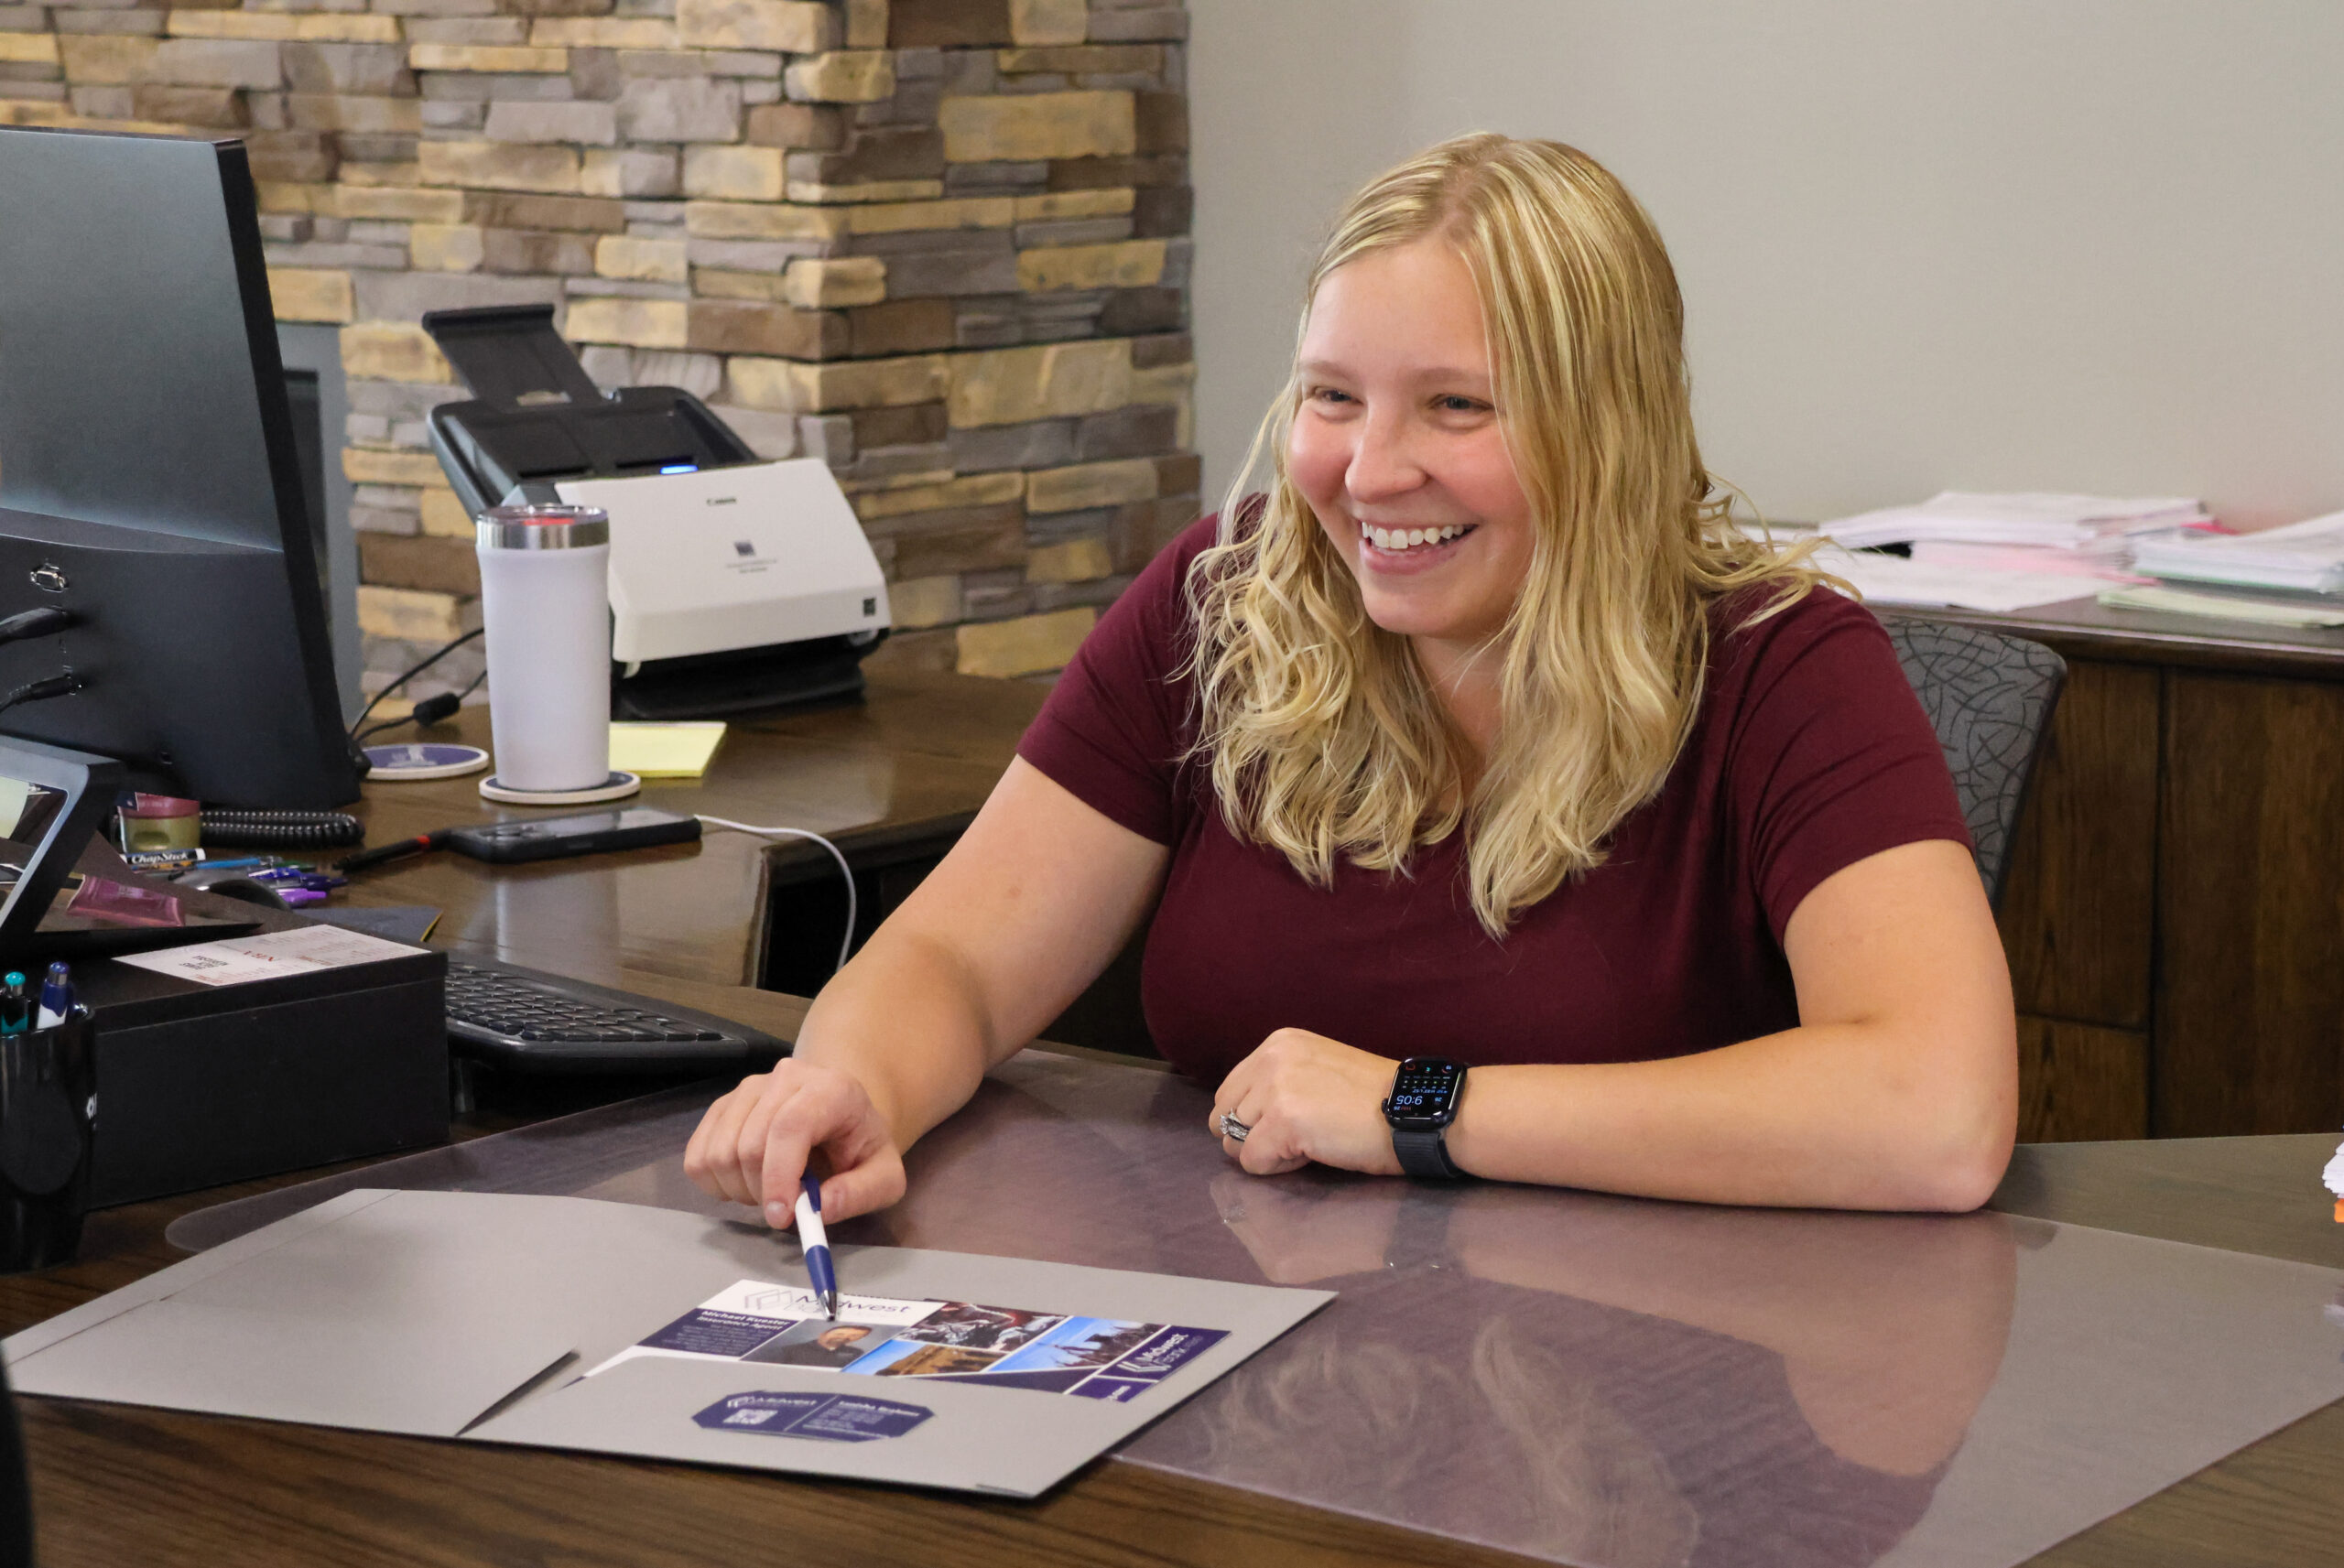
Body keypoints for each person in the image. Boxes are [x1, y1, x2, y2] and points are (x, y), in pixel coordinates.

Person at [685, 133, 2016, 1228]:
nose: (1371, 473)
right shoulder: (1225, 596)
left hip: (1646, 1416)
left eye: (1456, 406)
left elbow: (1935, 1112)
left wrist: (1412, 1110)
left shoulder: (1783, 663)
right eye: (1333, 396)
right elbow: (959, 956)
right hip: (1248, 1381)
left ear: (1609, 429)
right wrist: (845, 1084)